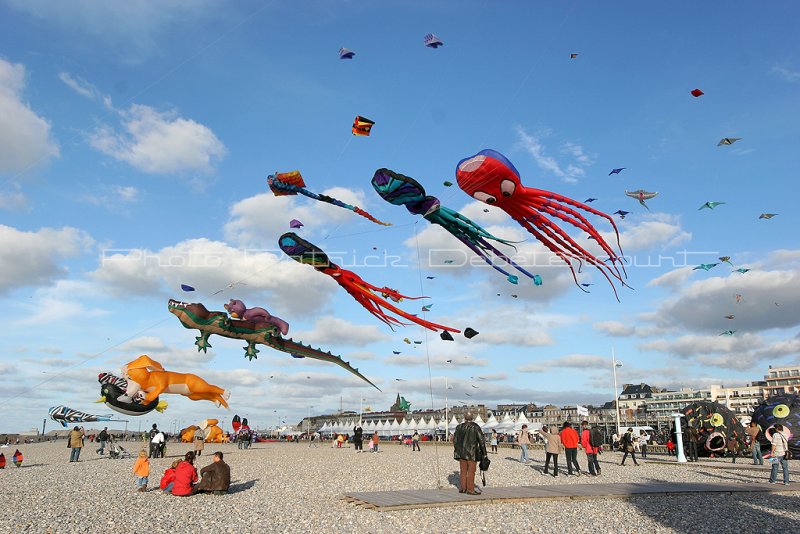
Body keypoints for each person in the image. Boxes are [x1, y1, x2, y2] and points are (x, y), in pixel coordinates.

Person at [453, 411, 486, 495]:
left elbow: (455, 440)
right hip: (472, 452)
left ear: (464, 418)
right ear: (472, 418)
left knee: (463, 471)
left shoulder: (459, 427)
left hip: (461, 453)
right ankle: (470, 489)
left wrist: (457, 450)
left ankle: (463, 488)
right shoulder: (475, 427)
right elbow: (481, 441)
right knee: (471, 471)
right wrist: (484, 453)